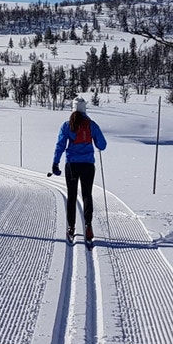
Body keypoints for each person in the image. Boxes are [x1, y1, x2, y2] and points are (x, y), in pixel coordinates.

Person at [51, 97, 107, 242]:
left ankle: (71, 227)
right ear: (84, 108)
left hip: (72, 165)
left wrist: (55, 163)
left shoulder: (67, 125)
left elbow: (60, 145)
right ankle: (88, 224)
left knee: (72, 196)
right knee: (87, 194)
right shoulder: (91, 125)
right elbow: (102, 145)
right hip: (88, 165)